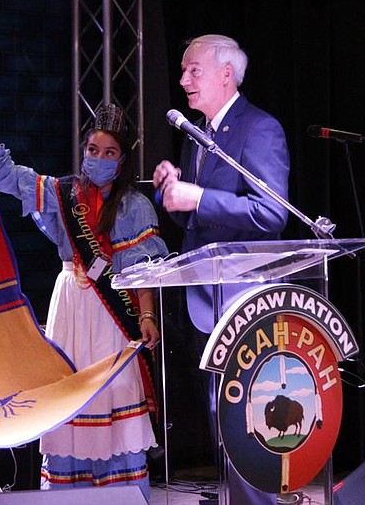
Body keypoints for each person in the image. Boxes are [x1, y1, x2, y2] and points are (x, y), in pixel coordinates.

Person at [0, 94, 168, 501]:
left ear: (121, 161)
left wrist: (147, 317)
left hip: (113, 315)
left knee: (114, 394)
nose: (99, 157)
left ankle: (122, 494)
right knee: (69, 394)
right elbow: (6, 175)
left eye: (109, 152)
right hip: (71, 303)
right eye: (93, 149)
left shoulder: (135, 206)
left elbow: (144, 273)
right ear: (83, 152)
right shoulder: (63, 194)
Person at [153, 34, 290, 505]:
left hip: (243, 302)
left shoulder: (259, 129)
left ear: (225, 74)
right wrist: (172, 194)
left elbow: (271, 214)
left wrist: (199, 197)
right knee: (221, 418)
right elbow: (200, 219)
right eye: (184, 70)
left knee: (245, 420)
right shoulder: (200, 135)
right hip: (207, 302)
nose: (183, 79)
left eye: (194, 70)